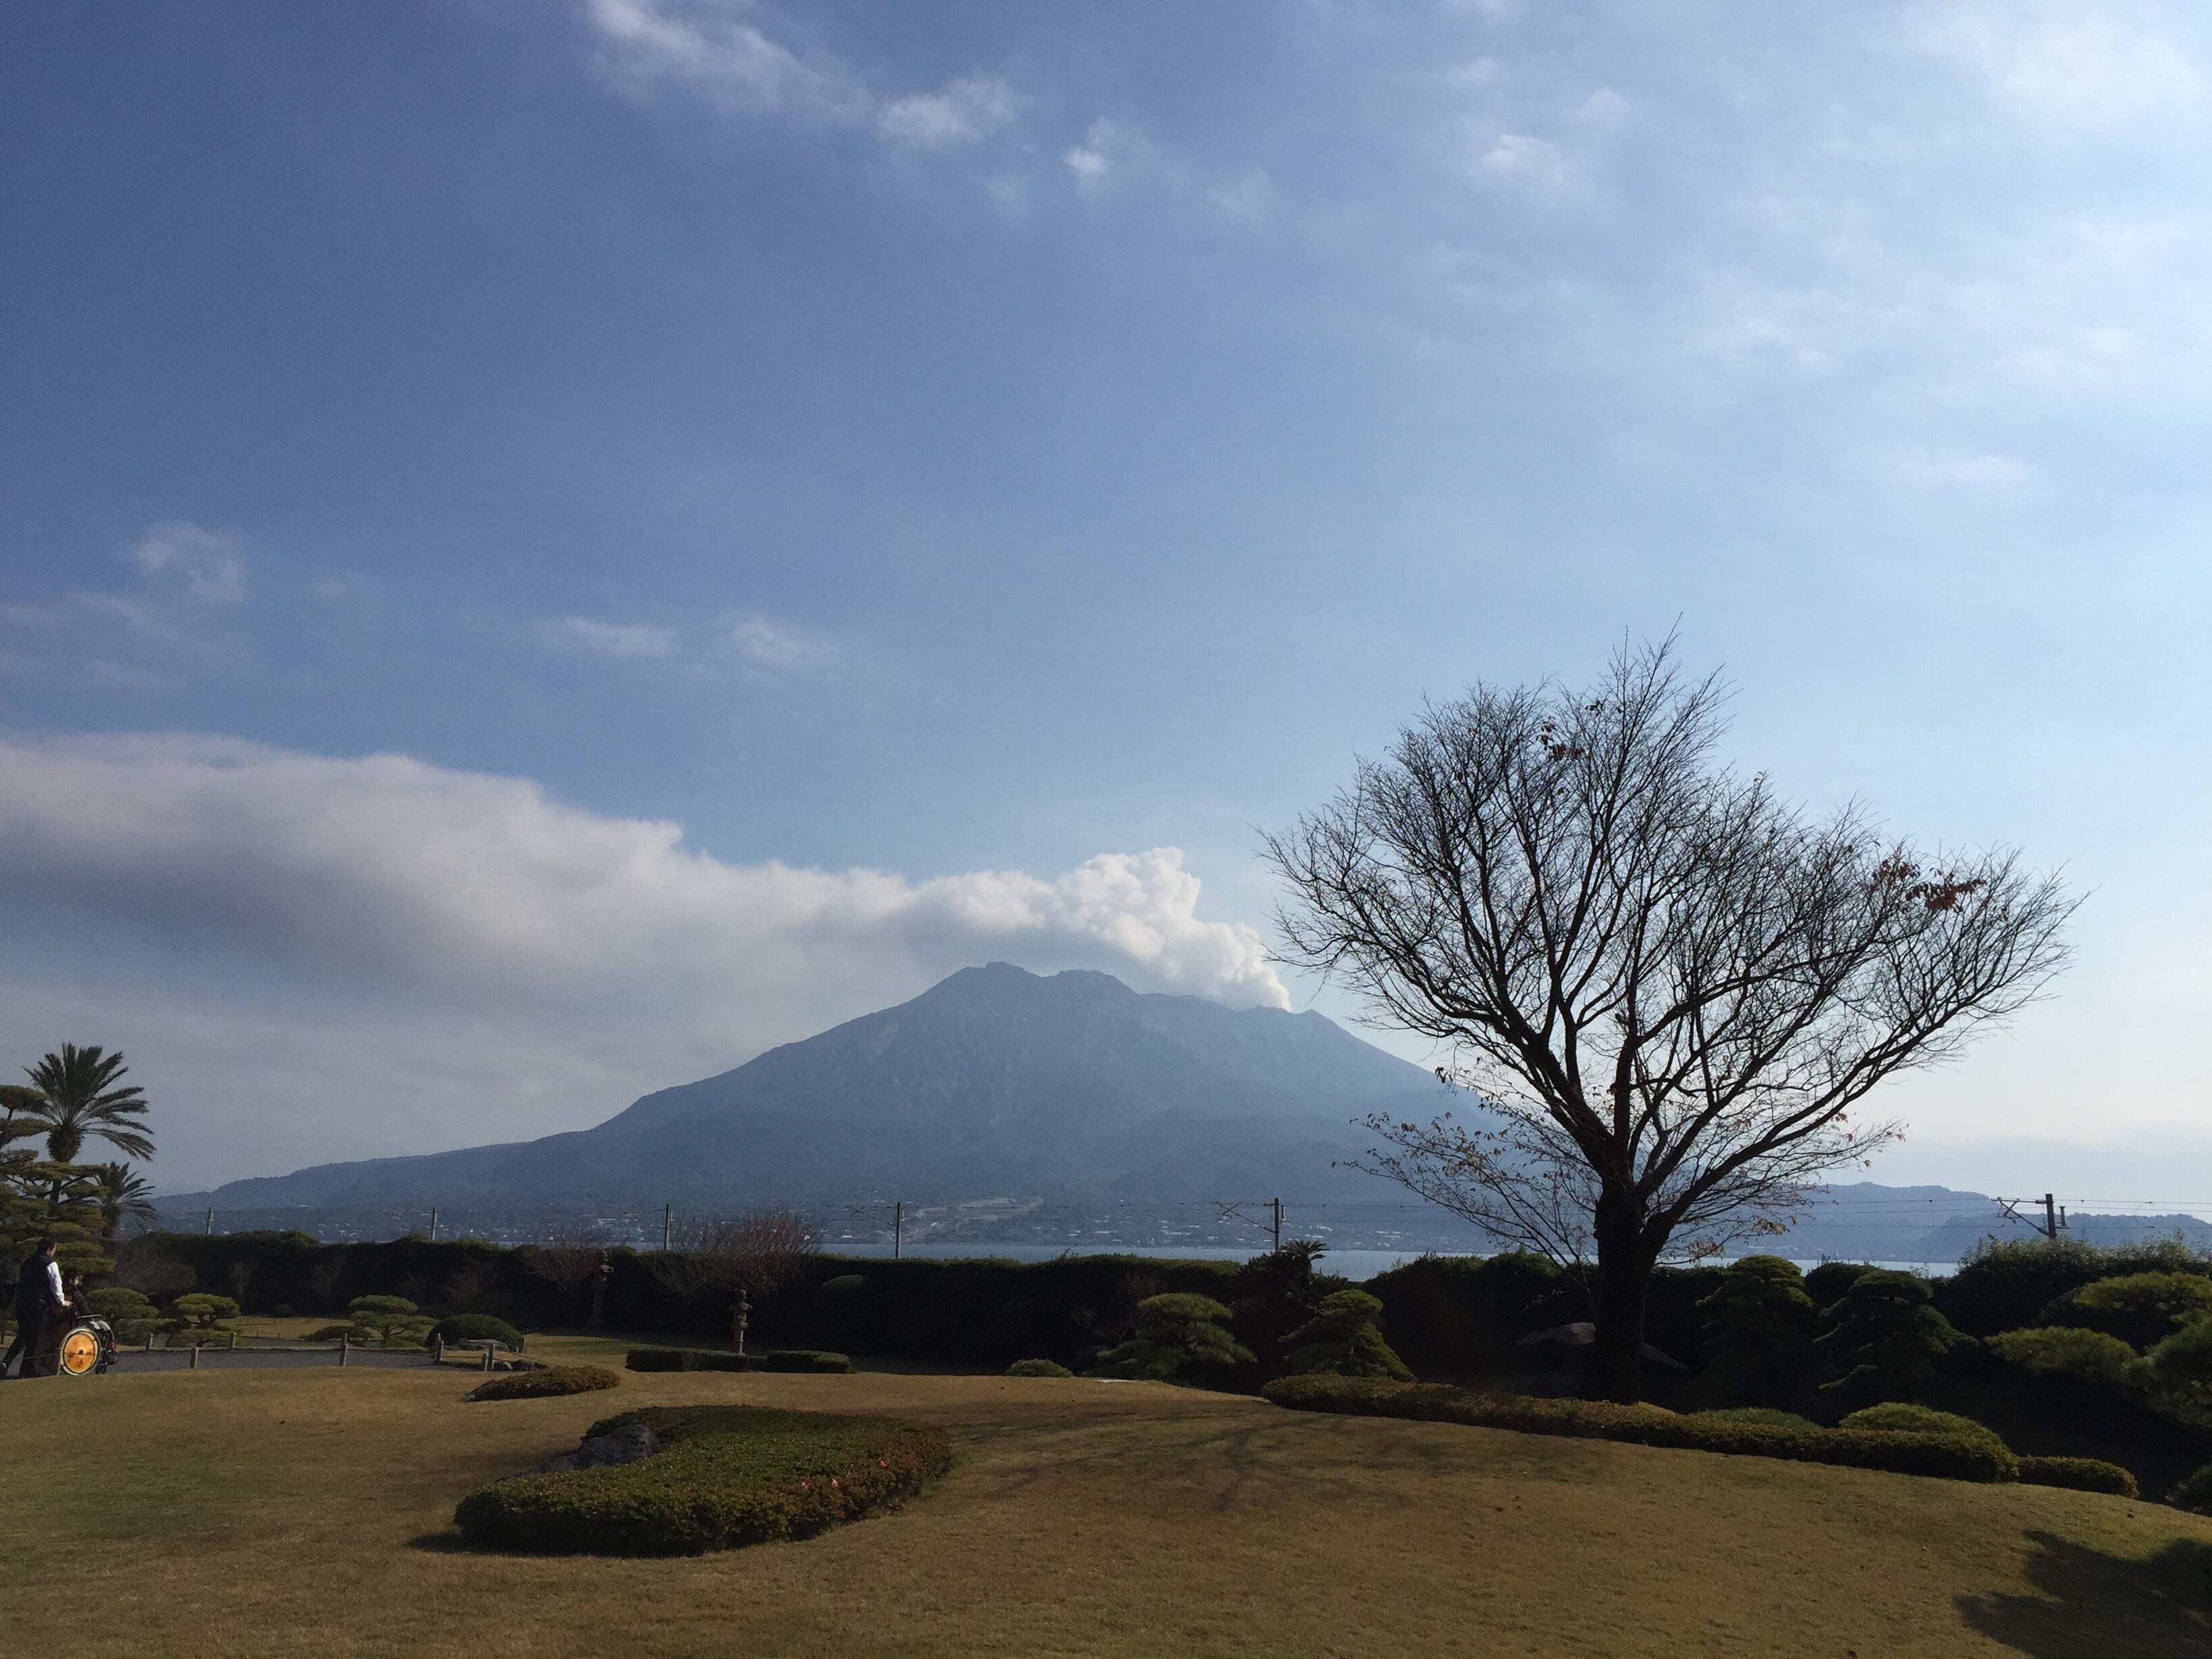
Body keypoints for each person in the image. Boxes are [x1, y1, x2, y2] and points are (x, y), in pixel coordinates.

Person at [3, 1238, 66, 1380]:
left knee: (24, 1335)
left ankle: (5, 1363)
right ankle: (27, 1369)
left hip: (22, 1303)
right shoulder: (50, 1264)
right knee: (35, 1338)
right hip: (39, 1304)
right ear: (50, 1249)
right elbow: (56, 1285)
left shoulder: (27, 1262)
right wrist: (62, 1302)